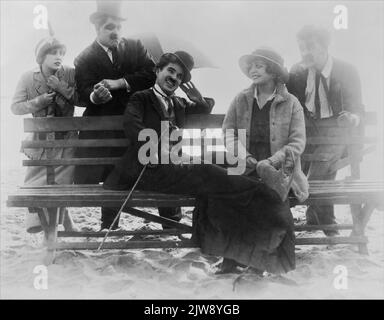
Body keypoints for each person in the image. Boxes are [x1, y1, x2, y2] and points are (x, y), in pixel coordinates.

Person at [104, 51, 296, 275]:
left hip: (172, 169)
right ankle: (265, 194)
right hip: (145, 170)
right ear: (158, 71)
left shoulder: (177, 103)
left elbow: (203, 107)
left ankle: (249, 227)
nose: (174, 78)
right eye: (170, 71)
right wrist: (155, 151)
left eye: (179, 76)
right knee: (208, 172)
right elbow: (132, 126)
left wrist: (198, 97)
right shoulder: (141, 98)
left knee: (219, 183)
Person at [221, 47, 308, 272]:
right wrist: (244, 156)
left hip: (281, 169)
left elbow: (297, 143)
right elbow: (228, 132)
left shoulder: (291, 103)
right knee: (227, 200)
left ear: (274, 71)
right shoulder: (241, 99)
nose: (253, 69)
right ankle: (231, 260)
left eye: (259, 65)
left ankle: (261, 261)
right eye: (251, 66)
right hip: (246, 165)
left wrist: (272, 161)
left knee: (269, 201)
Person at [73, 0, 156, 230]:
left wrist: (119, 83)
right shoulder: (84, 57)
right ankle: (110, 225)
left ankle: (171, 223)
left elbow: (151, 74)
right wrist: (95, 97)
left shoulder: (135, 47)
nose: (116, 31)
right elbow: (82, 91)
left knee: (156, 163)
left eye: (119, 26)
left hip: (136, 122)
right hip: (104, 127)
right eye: (110, 27)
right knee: (112, 172)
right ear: (97, 29)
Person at [287, 25, 364, 235]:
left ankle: (301, 200)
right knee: (306, 162)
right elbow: (289, 104)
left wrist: (352, 118)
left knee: (321, 164)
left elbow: (358, 108)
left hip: (338, 133)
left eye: (310, 47)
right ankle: (320, 217)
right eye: (301, 47)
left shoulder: (346, 70)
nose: (305, 53)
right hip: (308, 132)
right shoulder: (297, 72)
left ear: (325, 46)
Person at [10, 36, 78, 233]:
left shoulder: (70, 74)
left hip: (66, 139)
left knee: (62, 183)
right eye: (53, 53)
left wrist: (61, 88)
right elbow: (15, 107)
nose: (59, 57)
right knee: (37, 184)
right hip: (41, 141)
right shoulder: (27, 77)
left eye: (62, 53)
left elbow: (82, 100)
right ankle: (46, 224)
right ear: (41, 56)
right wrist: (39, 102)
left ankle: (60, 224)